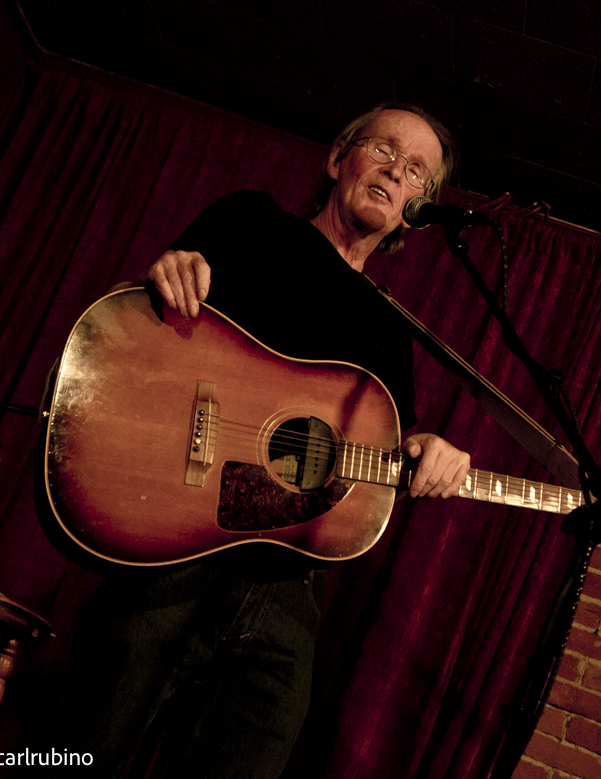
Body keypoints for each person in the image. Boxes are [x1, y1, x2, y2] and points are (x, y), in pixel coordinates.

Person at [51, 102, 471, 777]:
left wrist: (430, 452)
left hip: (287, 589)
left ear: (417, 211)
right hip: (173, 547)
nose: (397, 170)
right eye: (385, 150)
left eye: (417, 170)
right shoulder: (252, 222)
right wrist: (160, 277)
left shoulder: (392, 331)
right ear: (340, 157)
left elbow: (386, 445)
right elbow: (123, 334)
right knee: (73, 756)